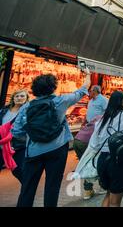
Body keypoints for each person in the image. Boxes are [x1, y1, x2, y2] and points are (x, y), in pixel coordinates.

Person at [12, 71, 91, 207]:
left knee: (27, 187)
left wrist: (33, 134)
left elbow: (16, 131)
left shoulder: (26, 107)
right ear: (53, 87)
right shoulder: (61, 101)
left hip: (33, 152)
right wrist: (88, 74)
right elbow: (83, 90)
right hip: (57, 150)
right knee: (52, 186)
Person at [89, 91, 123, 207]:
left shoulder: (101, 119)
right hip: (118, 162)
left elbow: (94, 144)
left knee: (109, 194)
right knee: (115, 202)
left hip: (103, 161)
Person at [0, 89, 29, 183]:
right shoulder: (4, 110)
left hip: (18, 145)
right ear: (13, 98)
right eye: (17, 96)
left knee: (18, 170)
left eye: (22, 96)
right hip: (2, 144)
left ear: (26, 98)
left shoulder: (27, 112)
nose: (19, 98)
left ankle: (27, 191)